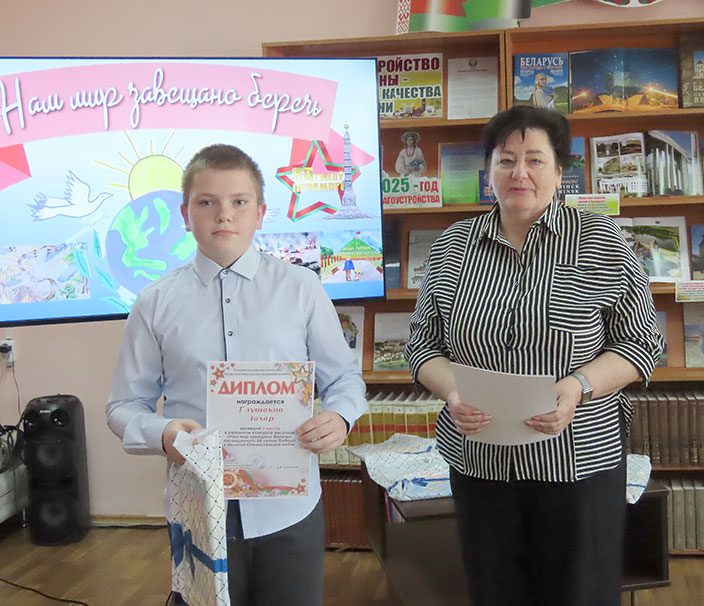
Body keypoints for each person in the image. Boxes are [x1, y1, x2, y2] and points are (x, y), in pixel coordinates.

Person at [405, 105, 663, 606]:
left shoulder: (602, 242)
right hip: (481, 461)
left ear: (559, 172)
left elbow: (641, 344)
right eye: (505, 160)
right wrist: (452, 392)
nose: (519, 173)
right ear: (488, 172)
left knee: (578, 594)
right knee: (494, 591)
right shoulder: (452, 247)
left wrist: (578, 386)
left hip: (577, 463)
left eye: (535, 160)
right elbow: (422, 346)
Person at [106, 144, 366, 606]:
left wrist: (340, 417)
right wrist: (163, 433)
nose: (224, 214)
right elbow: (123, 407)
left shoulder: (301, 288)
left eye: (239, 202)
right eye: (207, 202)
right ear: (185, 214)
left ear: (260, 212)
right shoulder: (154, 303)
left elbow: (344, 379)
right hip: (198, 508)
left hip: (289, 508)